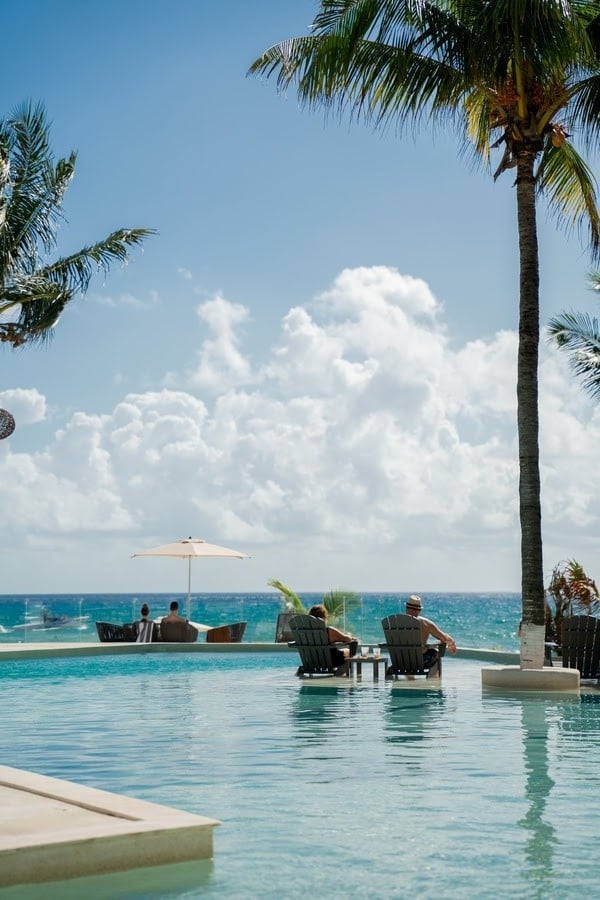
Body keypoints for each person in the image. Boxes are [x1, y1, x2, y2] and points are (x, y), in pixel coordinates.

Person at [404, 595, 457, 675]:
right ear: (419, 610)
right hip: (420, 662)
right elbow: (443, 637)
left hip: (402, 661)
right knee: (435, 654)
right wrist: (452, 643)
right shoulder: (425, 623)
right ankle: (433, 684)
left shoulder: (395, 622)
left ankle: (409, 679)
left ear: (406, 608)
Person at [308, 604, 358, 671]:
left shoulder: (305, 633)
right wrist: (350, 637)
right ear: (323, 618)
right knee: (349, 650)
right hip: (330, 660)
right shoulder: (329, 631)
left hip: (312, 660)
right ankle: (341, 672)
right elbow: (347, 639)